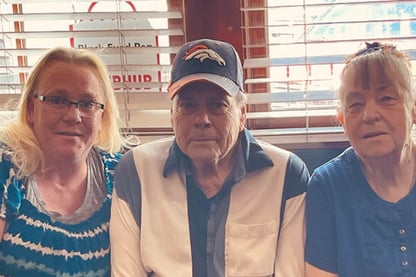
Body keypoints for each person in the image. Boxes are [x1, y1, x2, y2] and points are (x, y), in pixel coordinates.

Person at [110, 38, 310, 276]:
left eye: (217, 105)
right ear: (171, 115)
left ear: (242, 114)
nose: (202, 119)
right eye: (188, 106)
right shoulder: (136, 170)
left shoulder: (286, 174)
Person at [0, 47, 124, 276]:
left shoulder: (122, 176)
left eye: (88, 103)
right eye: (57, 100)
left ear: (102, 117)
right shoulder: (6, 167)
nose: (73, 116)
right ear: (30, 108)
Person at [305, 42, 416, 276]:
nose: (370, 115)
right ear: (342, 120)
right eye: (355, 104)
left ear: (413, 110)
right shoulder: (327, 186)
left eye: (386, 98)